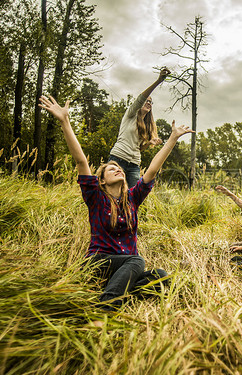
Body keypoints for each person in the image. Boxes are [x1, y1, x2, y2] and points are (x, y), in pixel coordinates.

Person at [39, 95, 193, 311]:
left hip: (124, 266)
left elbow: (151, 171)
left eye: (119, 168)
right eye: (112, 169)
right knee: (137, 261)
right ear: (101, 180)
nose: (118, 168)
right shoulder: (95, 197)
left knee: (161, 277)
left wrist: (172, 139)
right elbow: (81, 160)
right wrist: (65, 121)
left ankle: (114, 289)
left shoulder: (132, 199)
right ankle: (107, 306)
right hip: (99, 262)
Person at [108, 68, 171, 188]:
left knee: (132, 198)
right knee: (112, 193)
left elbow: (139, 148)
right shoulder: (130, 115)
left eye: (150, 102)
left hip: (134, 165)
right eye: (146, 101)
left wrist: (149, 143)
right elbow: (141, 98)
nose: (148, 103)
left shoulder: (148, 125)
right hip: (118, 159)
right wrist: (158, 81)